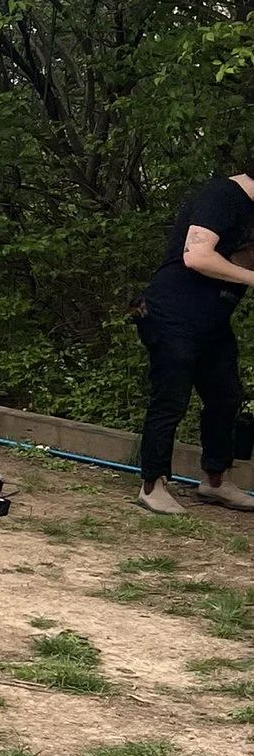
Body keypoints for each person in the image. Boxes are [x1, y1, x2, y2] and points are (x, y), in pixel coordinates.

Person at [137, 169, 254, 514]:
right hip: (172, 313)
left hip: (213, 321)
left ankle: (215, 481)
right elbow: (197, 256)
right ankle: (152, 484)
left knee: (225, 396)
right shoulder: (223, 197)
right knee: (170, 399)